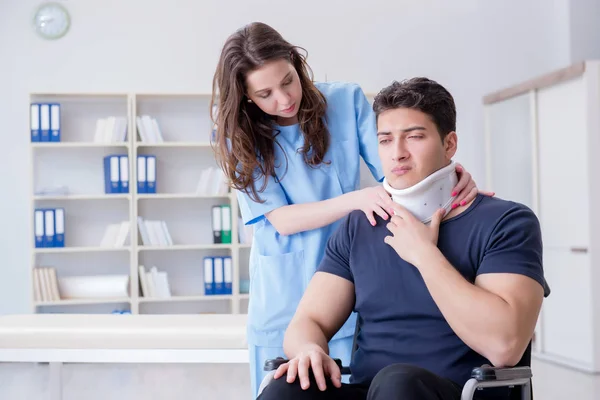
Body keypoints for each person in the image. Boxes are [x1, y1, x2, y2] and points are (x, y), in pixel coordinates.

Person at [210, 23, 489, 398]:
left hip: (347, 272)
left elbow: (400, 168)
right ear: (245, 97)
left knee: (359, 383)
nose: (284, 98)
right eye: (265, 94)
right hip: (284, 290)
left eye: (288, 81)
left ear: (295, 62)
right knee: (287, 384)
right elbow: (281, 220)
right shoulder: (239, 135)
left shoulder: (344, 101)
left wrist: (450, 175)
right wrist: (355, 199)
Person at [258, 77, 550, 400]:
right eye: (385, 140)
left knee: (398, 384)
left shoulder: (506, 222)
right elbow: (308, 320)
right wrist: (309, 348)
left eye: (414, 137)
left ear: (449, 144)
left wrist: (424, 254)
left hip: (459, 393)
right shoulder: (361, 225)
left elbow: (505, 345)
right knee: (283, 391)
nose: (397, 154)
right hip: (372, 391)